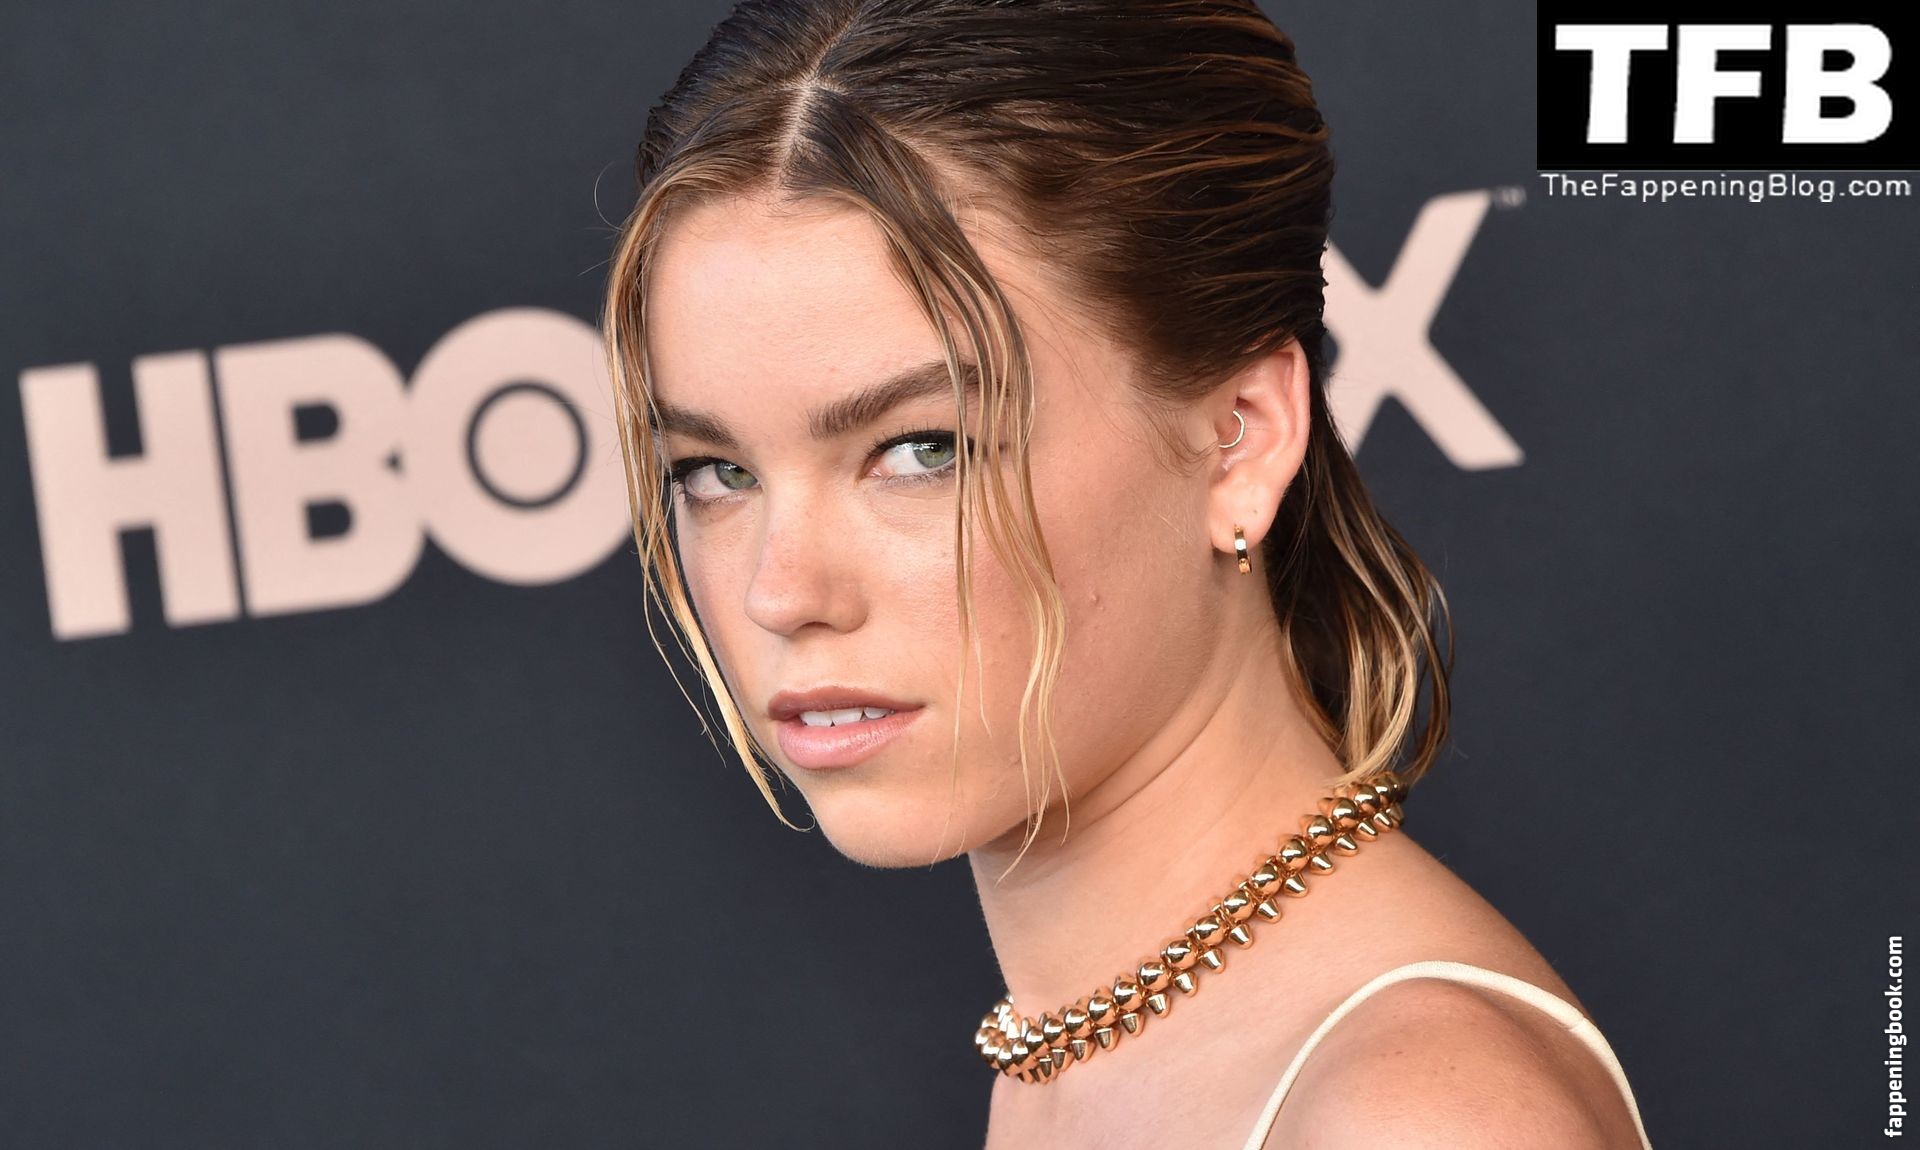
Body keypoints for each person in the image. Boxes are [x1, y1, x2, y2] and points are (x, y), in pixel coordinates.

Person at [599, 1, 1654, 1146]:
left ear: (1239, 439)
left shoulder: (1410, 1115)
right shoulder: (1090, 1046)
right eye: (714, 472)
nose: (781, 592)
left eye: (923, 450)